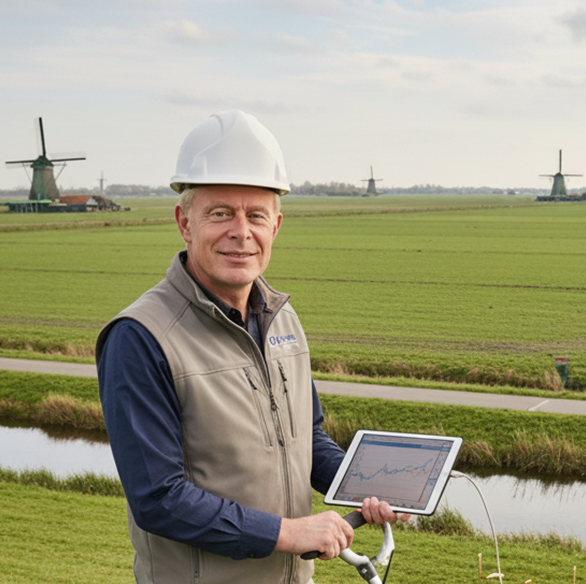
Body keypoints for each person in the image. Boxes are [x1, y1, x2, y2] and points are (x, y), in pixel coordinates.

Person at [96, 110, 402, 584]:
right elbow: (158, 498)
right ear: (184, 222)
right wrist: (287, 533)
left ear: (275, 226)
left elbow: (306, 439)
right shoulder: (140, 336)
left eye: (256, 215)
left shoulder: (283, 318)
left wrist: (364, 484)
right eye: (220, 213)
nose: (241, 232)